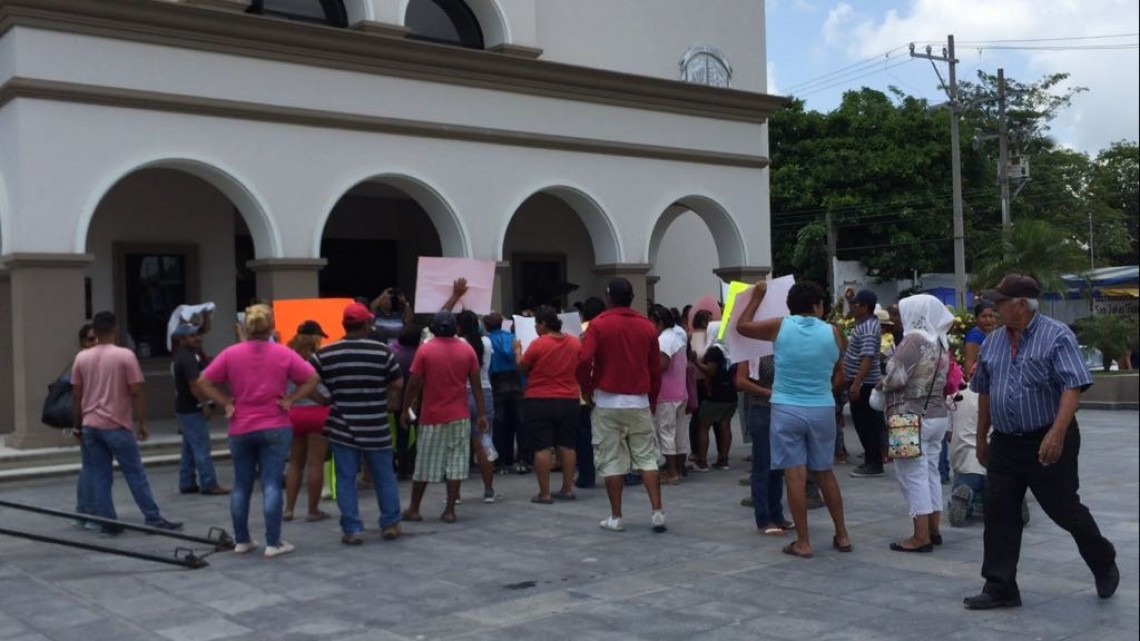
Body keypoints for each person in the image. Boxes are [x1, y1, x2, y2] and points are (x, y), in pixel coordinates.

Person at [963, 274, 1118, 609]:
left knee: (1063, 508)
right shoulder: (993, 341)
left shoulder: (1057, 335)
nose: (994, 308)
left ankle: (1102, 558)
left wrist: (1057, 433)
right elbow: (985, 391)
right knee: (999, 511)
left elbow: (1072, 386)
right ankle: (1000, 586)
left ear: (1021, 305)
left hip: (1047, 437)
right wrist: (981, 438)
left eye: (1000, 302)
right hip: (1005, 441)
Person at [737, 281, 852, 558]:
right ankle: (842, 534)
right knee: (824, 473)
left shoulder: (780, 326)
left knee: (794, 476)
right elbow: (841, 371)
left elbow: (742, 327)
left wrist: (757, 297)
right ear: (817, 305)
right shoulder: (834, 333)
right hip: (822, 407)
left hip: (786, 407)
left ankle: (803, 541)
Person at [197, 304, 320, 558]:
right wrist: (292, 398)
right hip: (275, 423)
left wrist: (226, 402)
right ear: (271, 326)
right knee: (271, 484)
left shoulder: (231, 354)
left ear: (246, 326)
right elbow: (312, 378)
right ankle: (273, 542)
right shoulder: (283, 353)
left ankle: (242, 539)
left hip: (241, 424)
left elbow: (204, 381)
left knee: (241, 485)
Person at [70, 311, 182, 534]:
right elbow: (136, 391)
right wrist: (143, 422)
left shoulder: (81, 358)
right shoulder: (125, 356)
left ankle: (108, 522)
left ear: (95, 331)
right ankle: (152, 517)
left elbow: (76, 395)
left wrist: (77, 424)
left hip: (91, 423)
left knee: (101, 475)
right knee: (135, 473)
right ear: (115, 328)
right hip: (116, 424)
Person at [576, 277, 666, 534]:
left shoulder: (598, 324)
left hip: (607, 400)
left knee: (611, 461)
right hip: (638, 399)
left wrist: (587, 387)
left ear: (609, 297)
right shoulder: (647, 326)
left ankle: (616, 516)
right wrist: (653, 398)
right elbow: (655, 369)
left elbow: (584, 359)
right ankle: (657, 511)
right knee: (647, 458)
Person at [309, 304, 404, 544]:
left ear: (344, 325)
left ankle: (352, 528)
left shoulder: (327, 353)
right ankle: (390, 523)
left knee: (345, 478)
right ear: (366, 324)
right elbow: (398, 383)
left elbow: (306, 380)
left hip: (343, 426)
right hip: (376, 424)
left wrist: (323, 399)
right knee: (384, 476)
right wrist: (383, 395)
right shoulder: (382, 352)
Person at [878, 295, 952, 552]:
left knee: (912, 475)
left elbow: (896, 377)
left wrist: (882, 383)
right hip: (937, 415)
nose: (899, 317)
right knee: (930, 472)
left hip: (908, 418)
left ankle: (920, 536)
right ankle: (933, 529)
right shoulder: (940, 341)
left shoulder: (913, 340)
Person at [401, 311, 487, 524]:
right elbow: (476, 386)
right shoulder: (467, 350)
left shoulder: (425, 350)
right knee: (456, 463)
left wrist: (405, 409)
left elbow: (413, 384)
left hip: (432, 415)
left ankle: (414, 508)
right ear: (455, 328)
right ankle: (450, 510)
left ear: (434, 328)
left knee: (424, 462)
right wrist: (481, 414)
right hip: (460, 415)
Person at [516, 306, 581, 503]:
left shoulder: (539, 344)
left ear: (543, 324)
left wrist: (517, 351)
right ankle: (567, 489)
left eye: (536, 325)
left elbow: (522, 367)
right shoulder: (574, 342)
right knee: (567, 445)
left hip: (539, 399)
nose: (536, 329)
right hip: (569, 398)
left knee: (542, 447)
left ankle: (544, 493)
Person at [736, 353, 792, 535]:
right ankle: (763, 518)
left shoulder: (782, 347)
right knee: (762, 465)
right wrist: (767, 392)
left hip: (782, 410)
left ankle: (777, 515)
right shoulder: (752, 351)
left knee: (777, 467)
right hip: (761, 409)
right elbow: (741, 380)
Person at [171, 323, 228, 497]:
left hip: (184, 408)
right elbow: (194, 385)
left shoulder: (187, 355)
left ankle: (187, 481)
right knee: (201, 447)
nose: (197, 338)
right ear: (182, 340)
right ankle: (209, 483)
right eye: (192, 336)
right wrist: (204, 404)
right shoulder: (188, 358)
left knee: (189, 447)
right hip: (191, 408)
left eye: (197, 334)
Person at [283, 321, 330, 522]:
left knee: (295, 463)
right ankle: (312, 510)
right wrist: (324, 400)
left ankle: (289, 509)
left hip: (294, 413)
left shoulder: (286, 357)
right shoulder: (319, 359)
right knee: (315, 463)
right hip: (318, 412)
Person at [457, 310, 498, 503]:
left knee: (458, 445)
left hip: (461, 393)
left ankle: (455, 494)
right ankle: (489, 490)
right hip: (485, 392)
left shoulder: (458, 343)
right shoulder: (487, 342)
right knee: (484, 442)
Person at [845, 289, 886, 478]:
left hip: (865, 384)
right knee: (865, 423)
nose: (853, 307)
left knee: (867, 424)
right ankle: (871, 459)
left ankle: (874, 462)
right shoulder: (864, 323)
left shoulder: (868, 328)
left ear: (865, 307)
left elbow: (867, 357)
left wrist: (857, 383)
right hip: (862, 382)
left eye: (856, 305)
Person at [648, 304, 689, 484]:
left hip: (667, 393)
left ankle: (672, 473)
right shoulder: (677, 336)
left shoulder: (663, 340)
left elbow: (662, 365)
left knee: (666, 433)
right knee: (679, 433)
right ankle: (679, 470)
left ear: (659, 322)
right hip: (680, 392)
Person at [485, 312, 527, 474]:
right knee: (520, 422)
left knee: (499, 423)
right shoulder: (513, 337)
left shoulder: (487, 340)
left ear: (487, 325)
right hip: (516, 382)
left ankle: (501, 461)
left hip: (497, 383)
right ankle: (522, 459)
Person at [574, 296, 606, 489]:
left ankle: (586, 476)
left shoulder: (579, 331)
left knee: (584, 436)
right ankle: (625, 474)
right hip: (605, 388)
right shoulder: (606, 328)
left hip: (582, 389)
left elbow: (581, 360)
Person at [692, 345, 736, 471]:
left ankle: (702, 461)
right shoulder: (731, 349)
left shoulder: (714, 350)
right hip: (730, 394)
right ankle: (723, 460)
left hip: (714, 395)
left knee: (703, 426)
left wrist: (696, 361)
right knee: (725, 426)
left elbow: (710, 370)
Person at [72, 322, 99, 529]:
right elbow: (77, 397)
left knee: (89, 466)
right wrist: (77, 424)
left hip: (93, 419)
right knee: (93, 467)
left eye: (97, 338)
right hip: (90, 420)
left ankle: (83, 511)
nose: (95, 342)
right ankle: (90, 512)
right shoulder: (83, 361)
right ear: (83, 342)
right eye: (91, 339)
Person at [963, 300, 997, 380]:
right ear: (976, 319)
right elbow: (969, 365)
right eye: (984, 316)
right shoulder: (974, 337)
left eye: (991, 316)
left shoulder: (998, 333)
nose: (988, 320)